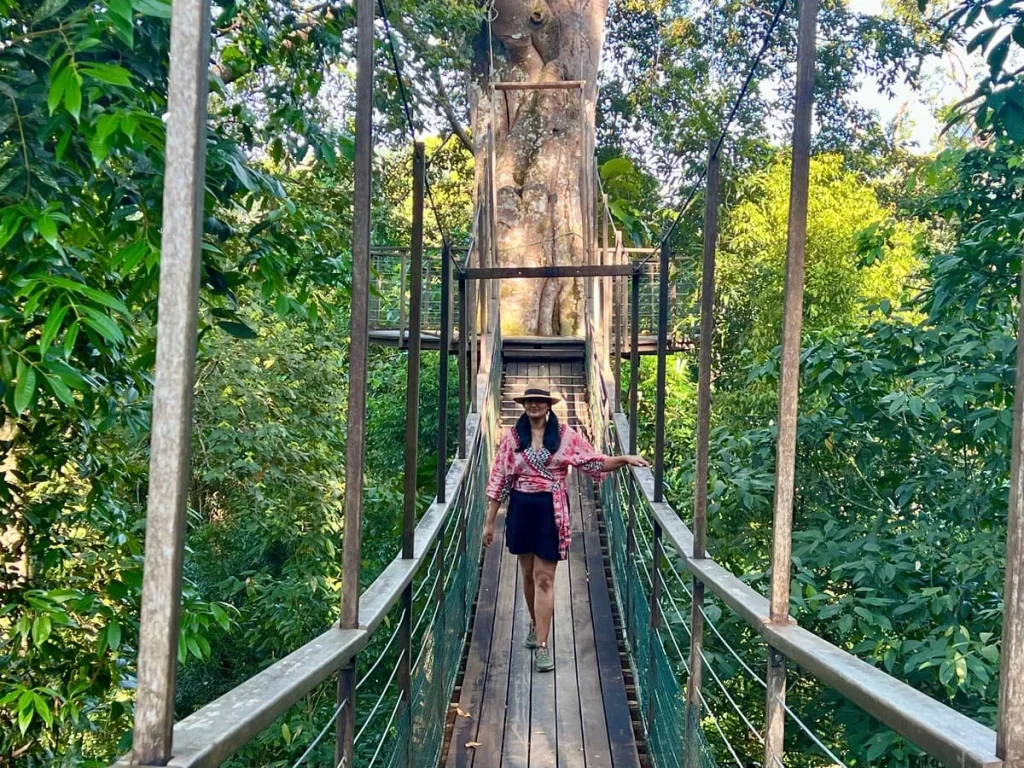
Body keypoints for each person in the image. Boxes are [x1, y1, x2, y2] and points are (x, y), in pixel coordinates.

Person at [483, 382, 648, 673]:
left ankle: (543, 647)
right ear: (523, 405)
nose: (534, 405)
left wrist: (623, 459)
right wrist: (489, 522)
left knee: (544, 577)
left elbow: (592, 461)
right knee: (528, 575)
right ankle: (535, 625)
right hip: (521, 508)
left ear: (548, 406)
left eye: (539, 401)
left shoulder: (563, 436)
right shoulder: (512, 438)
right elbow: (500, 477)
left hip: (551, 510)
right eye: (529, 401)